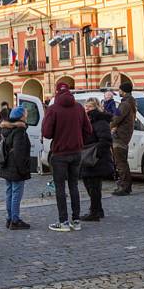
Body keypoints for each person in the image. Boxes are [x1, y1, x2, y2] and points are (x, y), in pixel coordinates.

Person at [42, 84, 92, 232]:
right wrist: (78, 139)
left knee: (60, 187)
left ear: (57, 93)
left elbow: (47, 133)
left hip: (59, 153)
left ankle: (63, 221)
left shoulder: (53, 109)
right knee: (74, 186)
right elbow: (88, 130)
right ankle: (76, 221)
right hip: (76, 152)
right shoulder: (78, 108)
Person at [81, 98, 114, 221]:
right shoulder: (89, 120)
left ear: (96, 107)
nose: (87, 109)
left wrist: (96, 154)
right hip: (89, 156)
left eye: (89, 107)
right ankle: (97, 210)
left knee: (93, 186)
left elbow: (105, 140)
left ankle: (94, 212)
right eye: (86, 107)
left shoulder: (99, 121)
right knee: (91, 185)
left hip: (95, 158)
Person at [0, 106, 31, 230]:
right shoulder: (19, 130)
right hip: (15, 166)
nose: (26, 115)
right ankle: (15, 220)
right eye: (25, 113)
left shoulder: (7, 129)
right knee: (16, 194)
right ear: (22, 116)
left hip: (7, 165)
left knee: (9, 193)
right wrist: (23, 169)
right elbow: (19, 152)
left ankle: (9, 218)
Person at [110, 82, 137, 196]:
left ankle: (124, 187)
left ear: (123, 91)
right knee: (122, 162)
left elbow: (116, 118)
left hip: (120, 136)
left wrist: (110, 126)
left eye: (120, 90)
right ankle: (125, 186)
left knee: (121, 163)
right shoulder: (130, 102)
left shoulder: (124, 104)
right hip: (124, 135)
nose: (118, 92)